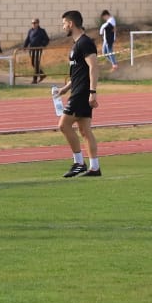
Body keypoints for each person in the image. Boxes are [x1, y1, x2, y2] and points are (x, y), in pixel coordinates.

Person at [55, 10, 101, 178]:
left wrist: (92, 92)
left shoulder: (85, 43)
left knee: (63, 125)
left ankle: (79, 163)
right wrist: (66, 88)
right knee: (84, 130)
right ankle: (95, 167)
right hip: (77, 90)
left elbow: (93, 67)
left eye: (64, 23)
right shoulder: (76, 45)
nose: (63, 26)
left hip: (82, 93)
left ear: (71, 23)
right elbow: (78, 73)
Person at [24, 18, 50, 83]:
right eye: (32, 23)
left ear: (38, 23)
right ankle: (42, 75)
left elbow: (47, 39)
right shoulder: (30, 31)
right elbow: (27, 39)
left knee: (36, 63)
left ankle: (34, 79)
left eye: (35, 23)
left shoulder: (42, 31)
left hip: (38, 49)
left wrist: (42, 45)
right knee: (33, 63)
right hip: (31, 49)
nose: (33, 24)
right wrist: (25, 46)